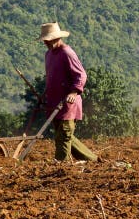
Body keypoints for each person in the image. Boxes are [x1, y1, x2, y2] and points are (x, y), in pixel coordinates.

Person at [38, 22, 101, 163]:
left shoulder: (67, 53)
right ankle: (94, 160)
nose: (46, 43)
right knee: (65, 135)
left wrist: (73, 92)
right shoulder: (48, 54)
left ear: (56, 38)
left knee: (65, 134)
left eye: (49, 40)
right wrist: (44, 95)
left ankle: (62, 164)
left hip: (67, 103)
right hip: (54, 102)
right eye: (45, 41)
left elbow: (81, 75)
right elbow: (52, 77)